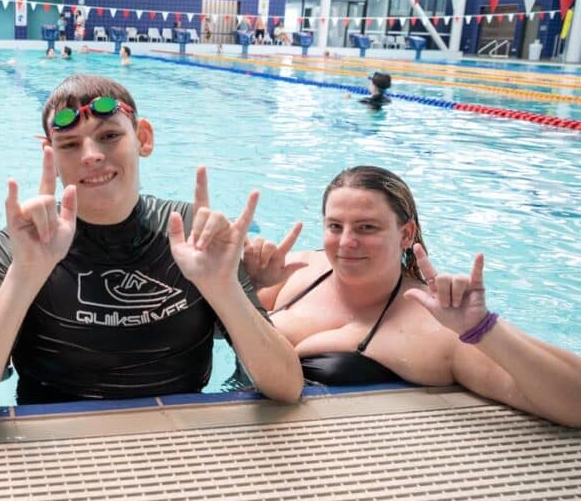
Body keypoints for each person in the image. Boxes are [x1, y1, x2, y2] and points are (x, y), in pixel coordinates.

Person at [0, 74, 303, 431]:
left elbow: (286, 387)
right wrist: (25, 277)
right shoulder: (25, 244)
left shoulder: (194, 237)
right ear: (50, 154)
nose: (91, 155)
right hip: (56, 447)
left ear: (143, 137)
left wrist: (223, 288)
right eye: (70, 144)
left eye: (108, 136)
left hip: (181, 444)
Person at [246, 165, 581, 428]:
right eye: (335, 226)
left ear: (405, 234)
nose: (346, 242)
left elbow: (574, 402)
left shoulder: (435, 326)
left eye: (366, 228)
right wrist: (251, 289)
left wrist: (484, 330)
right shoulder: (299, 270)